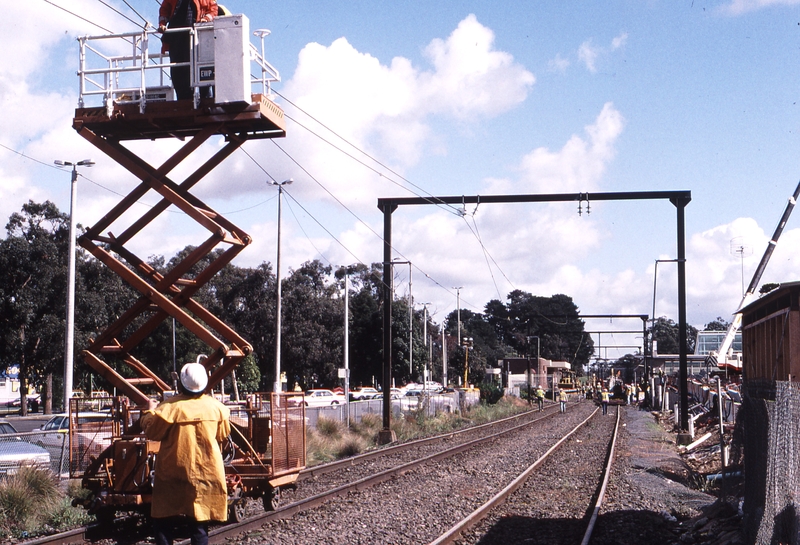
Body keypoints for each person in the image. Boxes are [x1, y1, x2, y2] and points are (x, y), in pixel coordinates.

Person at [140, 361, 231, 545]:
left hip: (173, 473)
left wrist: (149, 411)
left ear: (181, 383)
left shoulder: (169, 408)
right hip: (207, 471)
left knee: (163, 521)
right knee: (199, 524)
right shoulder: (217, 408)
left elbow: (153, 432)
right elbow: (222, 435)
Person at [158, 0, 219, 100]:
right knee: (178, 70)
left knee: (200, 70)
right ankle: (183, 98)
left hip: (197, 38)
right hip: (177, 38)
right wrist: (162, 24)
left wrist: (206, 19)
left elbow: (213, 9)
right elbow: (164, 9)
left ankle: (204, 98)